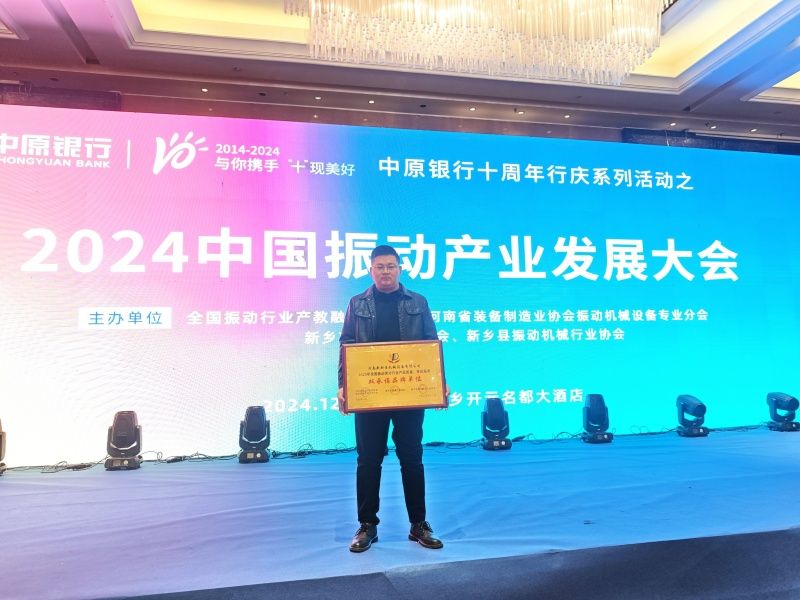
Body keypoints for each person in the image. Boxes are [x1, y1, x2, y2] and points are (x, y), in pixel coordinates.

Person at [337, 245, 445, 553]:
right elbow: (346, 344)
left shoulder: (418, 301)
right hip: (370, 393)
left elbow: (430, 343)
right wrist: (343, 386)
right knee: (368, 459)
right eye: (380, 267)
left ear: (399, 269)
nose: (385, 271)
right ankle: (367, 525)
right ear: (371, 270)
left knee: (412, 457)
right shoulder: (357, 303)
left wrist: (439, 383)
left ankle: (419, 524)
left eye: (391, 266)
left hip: (409, 391)